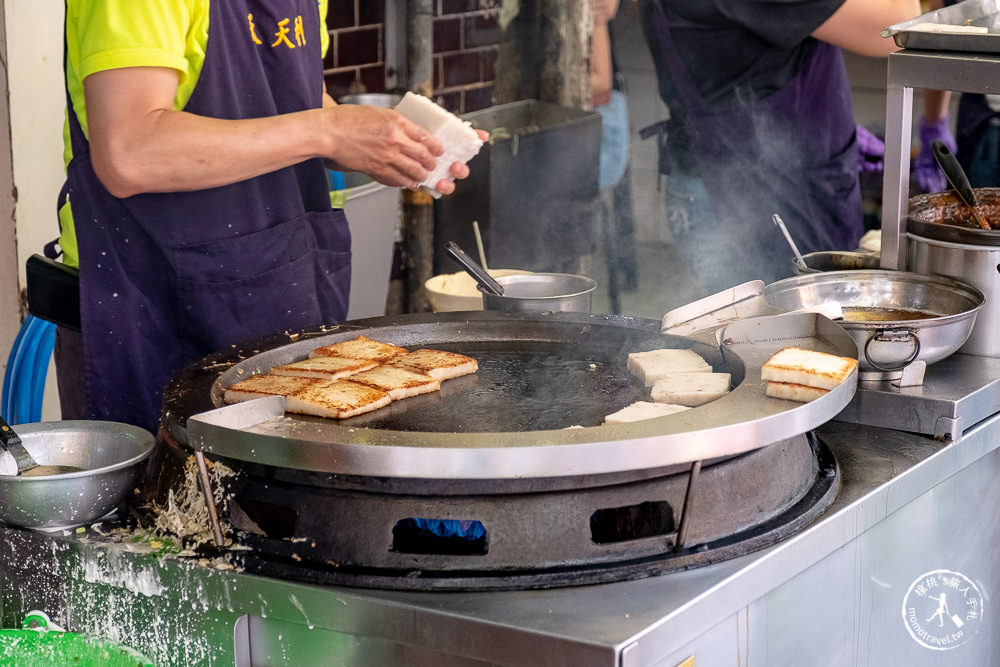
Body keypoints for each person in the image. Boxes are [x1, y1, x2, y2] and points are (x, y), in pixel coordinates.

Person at [55, 0, 485, 434]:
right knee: (175, 499)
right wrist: (329, 131)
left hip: (278, 291)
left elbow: (289, 96)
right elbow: (132, 153)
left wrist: (389, 143)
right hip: (151, 312)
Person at [637, 0, 921, 300]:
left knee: (731, 335)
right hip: (768, 202)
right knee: (793, 337)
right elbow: (901, 25)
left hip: (702, 182)